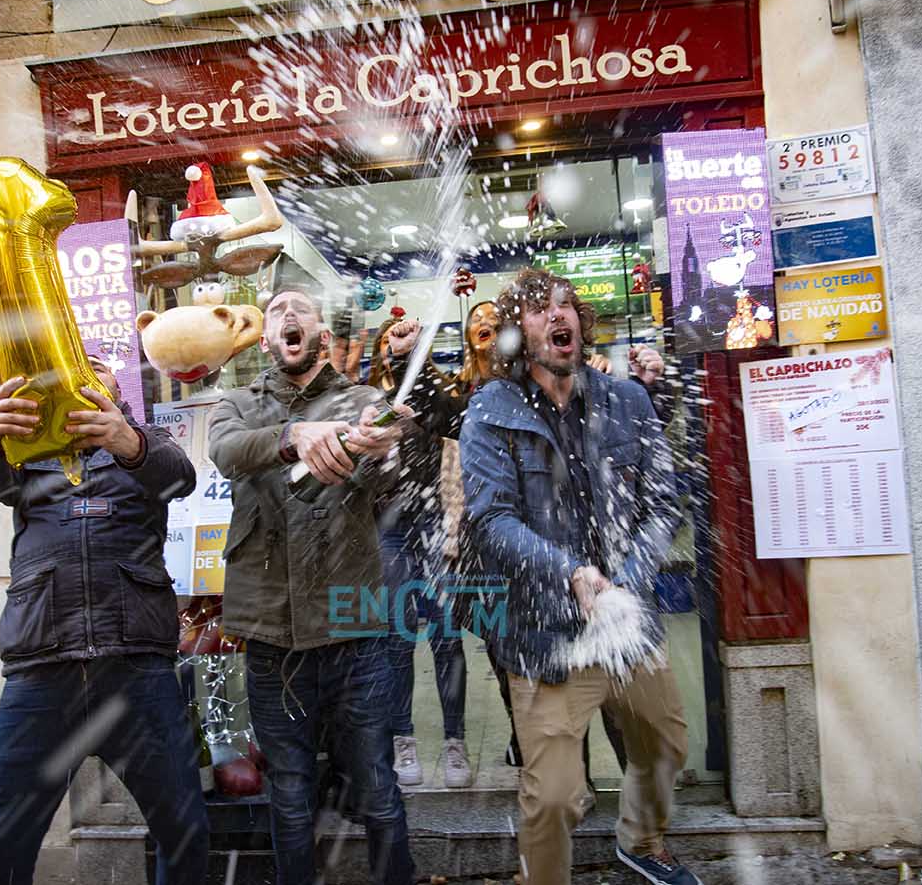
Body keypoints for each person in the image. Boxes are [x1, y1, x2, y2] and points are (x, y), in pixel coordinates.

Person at [458, 267, 694, 885]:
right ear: (517, 332)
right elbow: (490, 519)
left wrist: (626, 578)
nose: (557, 315)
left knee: (667, 747)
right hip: (545, 635)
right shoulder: (490, 411)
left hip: (625, 620)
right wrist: (572, 573)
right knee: (557, 796)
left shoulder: (628, 400)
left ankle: (642, 840)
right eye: (539, 310)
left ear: (581, 325)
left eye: (566, 306)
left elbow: (664, 501)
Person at [389, 304, 669, 790]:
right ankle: (558, 780)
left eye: (497, 322)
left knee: (618, 697)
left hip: (596, 573)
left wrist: (651, 391)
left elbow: (635, 451)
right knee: (530, 680)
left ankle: (638, 814)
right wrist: (406, 359)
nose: (490, 330)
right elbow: (432, 411)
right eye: (480, 322)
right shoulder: (469, 395)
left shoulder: (574, 382)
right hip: (513, 569)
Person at [0, 357, 209, 884]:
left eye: (95, 370)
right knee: (6, 840)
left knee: (183, 829)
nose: (81, 378)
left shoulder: (144, 444)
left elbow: (180, 477)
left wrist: (127, 443)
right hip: (42, 667)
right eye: (70, 371)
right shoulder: (27, 453)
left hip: (136, 668)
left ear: (117, 391)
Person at [207, 287, 415, 885]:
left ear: (323, 333)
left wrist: (383, 454)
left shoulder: (363, 401)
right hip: (272, 635)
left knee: (377, 786)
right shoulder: (238, 404)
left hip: (358, 628)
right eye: (276, 313)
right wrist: (294, 435)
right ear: (267, 339)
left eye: (301, 309)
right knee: (290, 793)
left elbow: (389, 486)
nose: (288, 316)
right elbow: (224, 451)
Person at [364, 320, 470, 788]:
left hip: (432, 519)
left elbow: (447, 418)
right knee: (396, 637)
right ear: (377, 349)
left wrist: (413, 362)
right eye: (388, 342)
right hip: (388, 526)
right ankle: (402, 739)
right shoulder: (365, 397)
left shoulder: (430, 390)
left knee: (447, 634)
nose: (394, 348)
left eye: (402, 343)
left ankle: (455, 741)